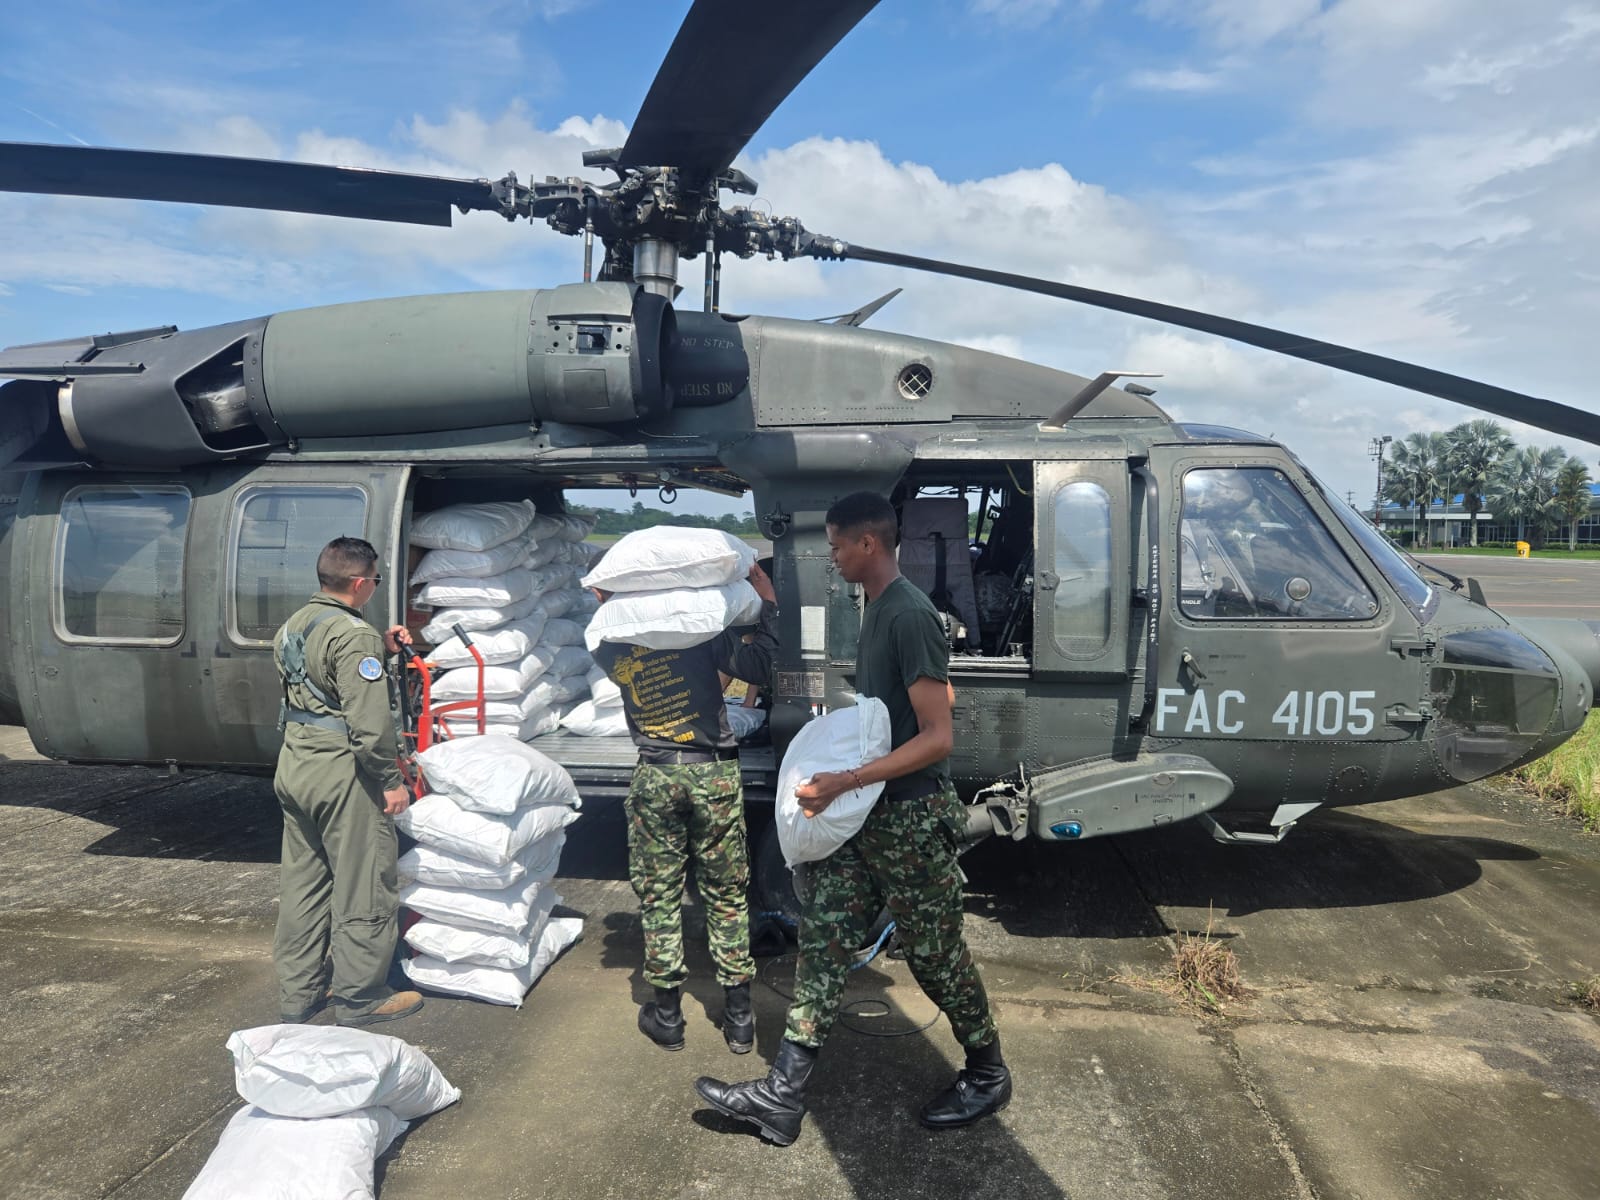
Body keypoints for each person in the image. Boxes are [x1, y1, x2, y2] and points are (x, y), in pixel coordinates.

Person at [695, 492, 1010, 1146]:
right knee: (827, 937)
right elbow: (922, 696)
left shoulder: (906, 613)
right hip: (870, 816)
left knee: (935, 955)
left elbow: (938, 736)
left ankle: (986, 1069)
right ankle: (782, 1097)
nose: (832, 557)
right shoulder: (878, 611)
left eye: (838, 545)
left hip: (912, 820)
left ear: (869, 544)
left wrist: (846, 779)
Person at [591, 560, 778, 1054]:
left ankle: (668, 1015)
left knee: (661, 894)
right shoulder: (699, 633)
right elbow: (762, 667)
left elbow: (609, 622)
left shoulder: (609, 644)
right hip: (713, 771)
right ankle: (739, 1019)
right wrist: (769, 606)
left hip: (656, 773)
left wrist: (611, 602)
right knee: (726, 895)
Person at [272, 536, 423, 1027]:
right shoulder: (353, 636)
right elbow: (369, 723)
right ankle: (361, 997)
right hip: (343, 774)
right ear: (360, 582)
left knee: (304, 886)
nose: (375, 588)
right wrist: (390, 780)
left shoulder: (295, 624)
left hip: (297, 766)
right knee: (364, 883)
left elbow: (321, 681)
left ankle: (299, 995)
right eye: (374, 581)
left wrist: (382, 647)